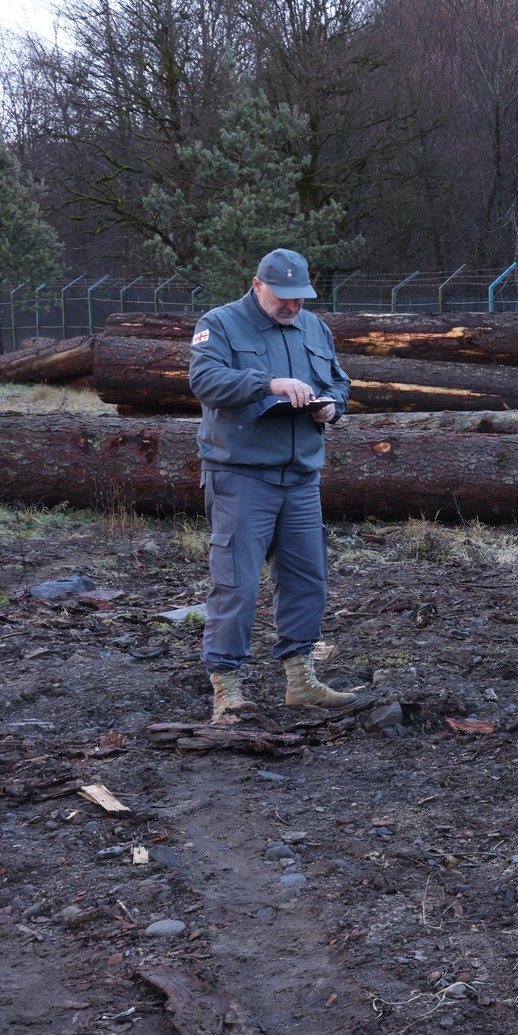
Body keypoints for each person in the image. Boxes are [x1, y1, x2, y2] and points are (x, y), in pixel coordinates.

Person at [187, 248, 363, 724]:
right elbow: (205, 381)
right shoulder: (220, 324)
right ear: (257, 284)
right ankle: (227, 690)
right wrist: (268, 384)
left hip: (301, 477)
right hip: (241, 475)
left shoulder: (315, 328)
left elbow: (340, 382)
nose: (292, 306)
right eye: (283, 296)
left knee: (307, 579)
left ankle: (301, 682)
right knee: (237, 585)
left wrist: (333, 406)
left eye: (300, 297)